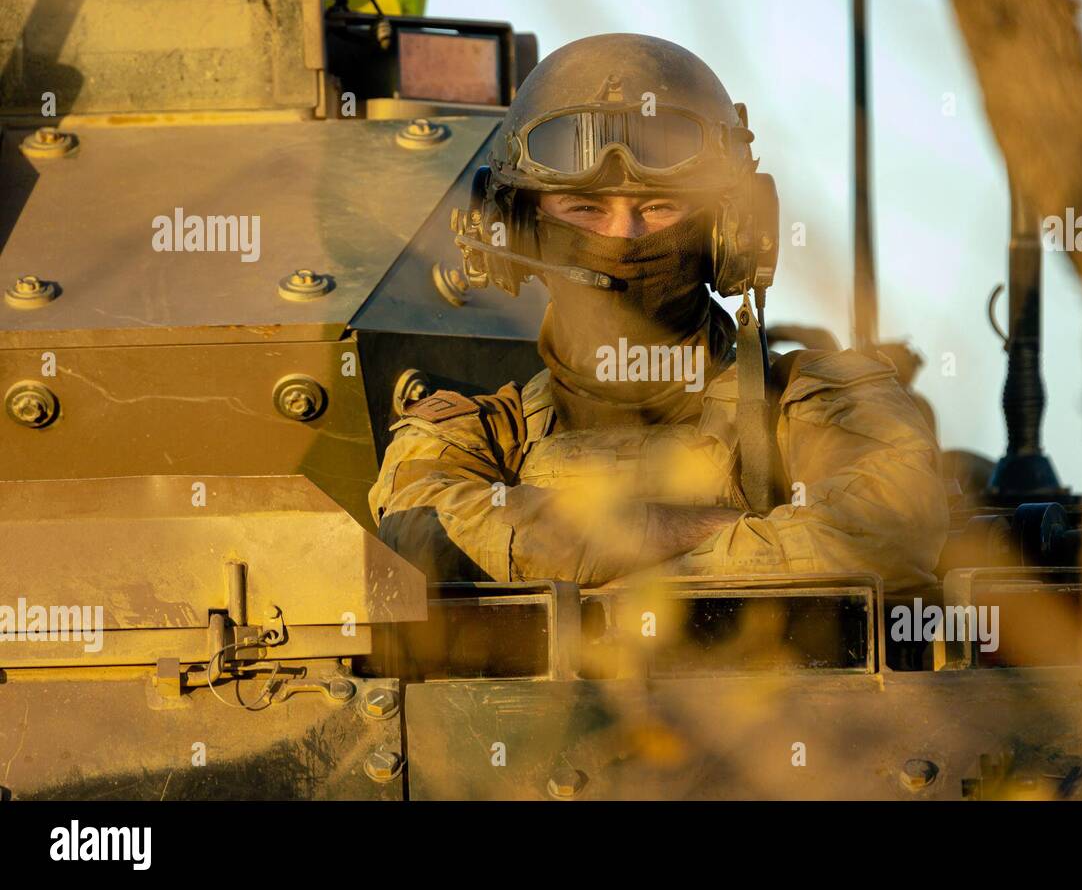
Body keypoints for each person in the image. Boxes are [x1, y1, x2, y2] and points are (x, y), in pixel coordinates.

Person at [369, 33, 948, 593]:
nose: (623, 238)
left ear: (728, 236)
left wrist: (592, 562)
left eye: (660, 207)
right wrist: (726, 534)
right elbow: (422, 534)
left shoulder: (815, 402)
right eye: (584, 209)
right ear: (516, 230)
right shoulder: (475, 435)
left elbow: (888, 527)